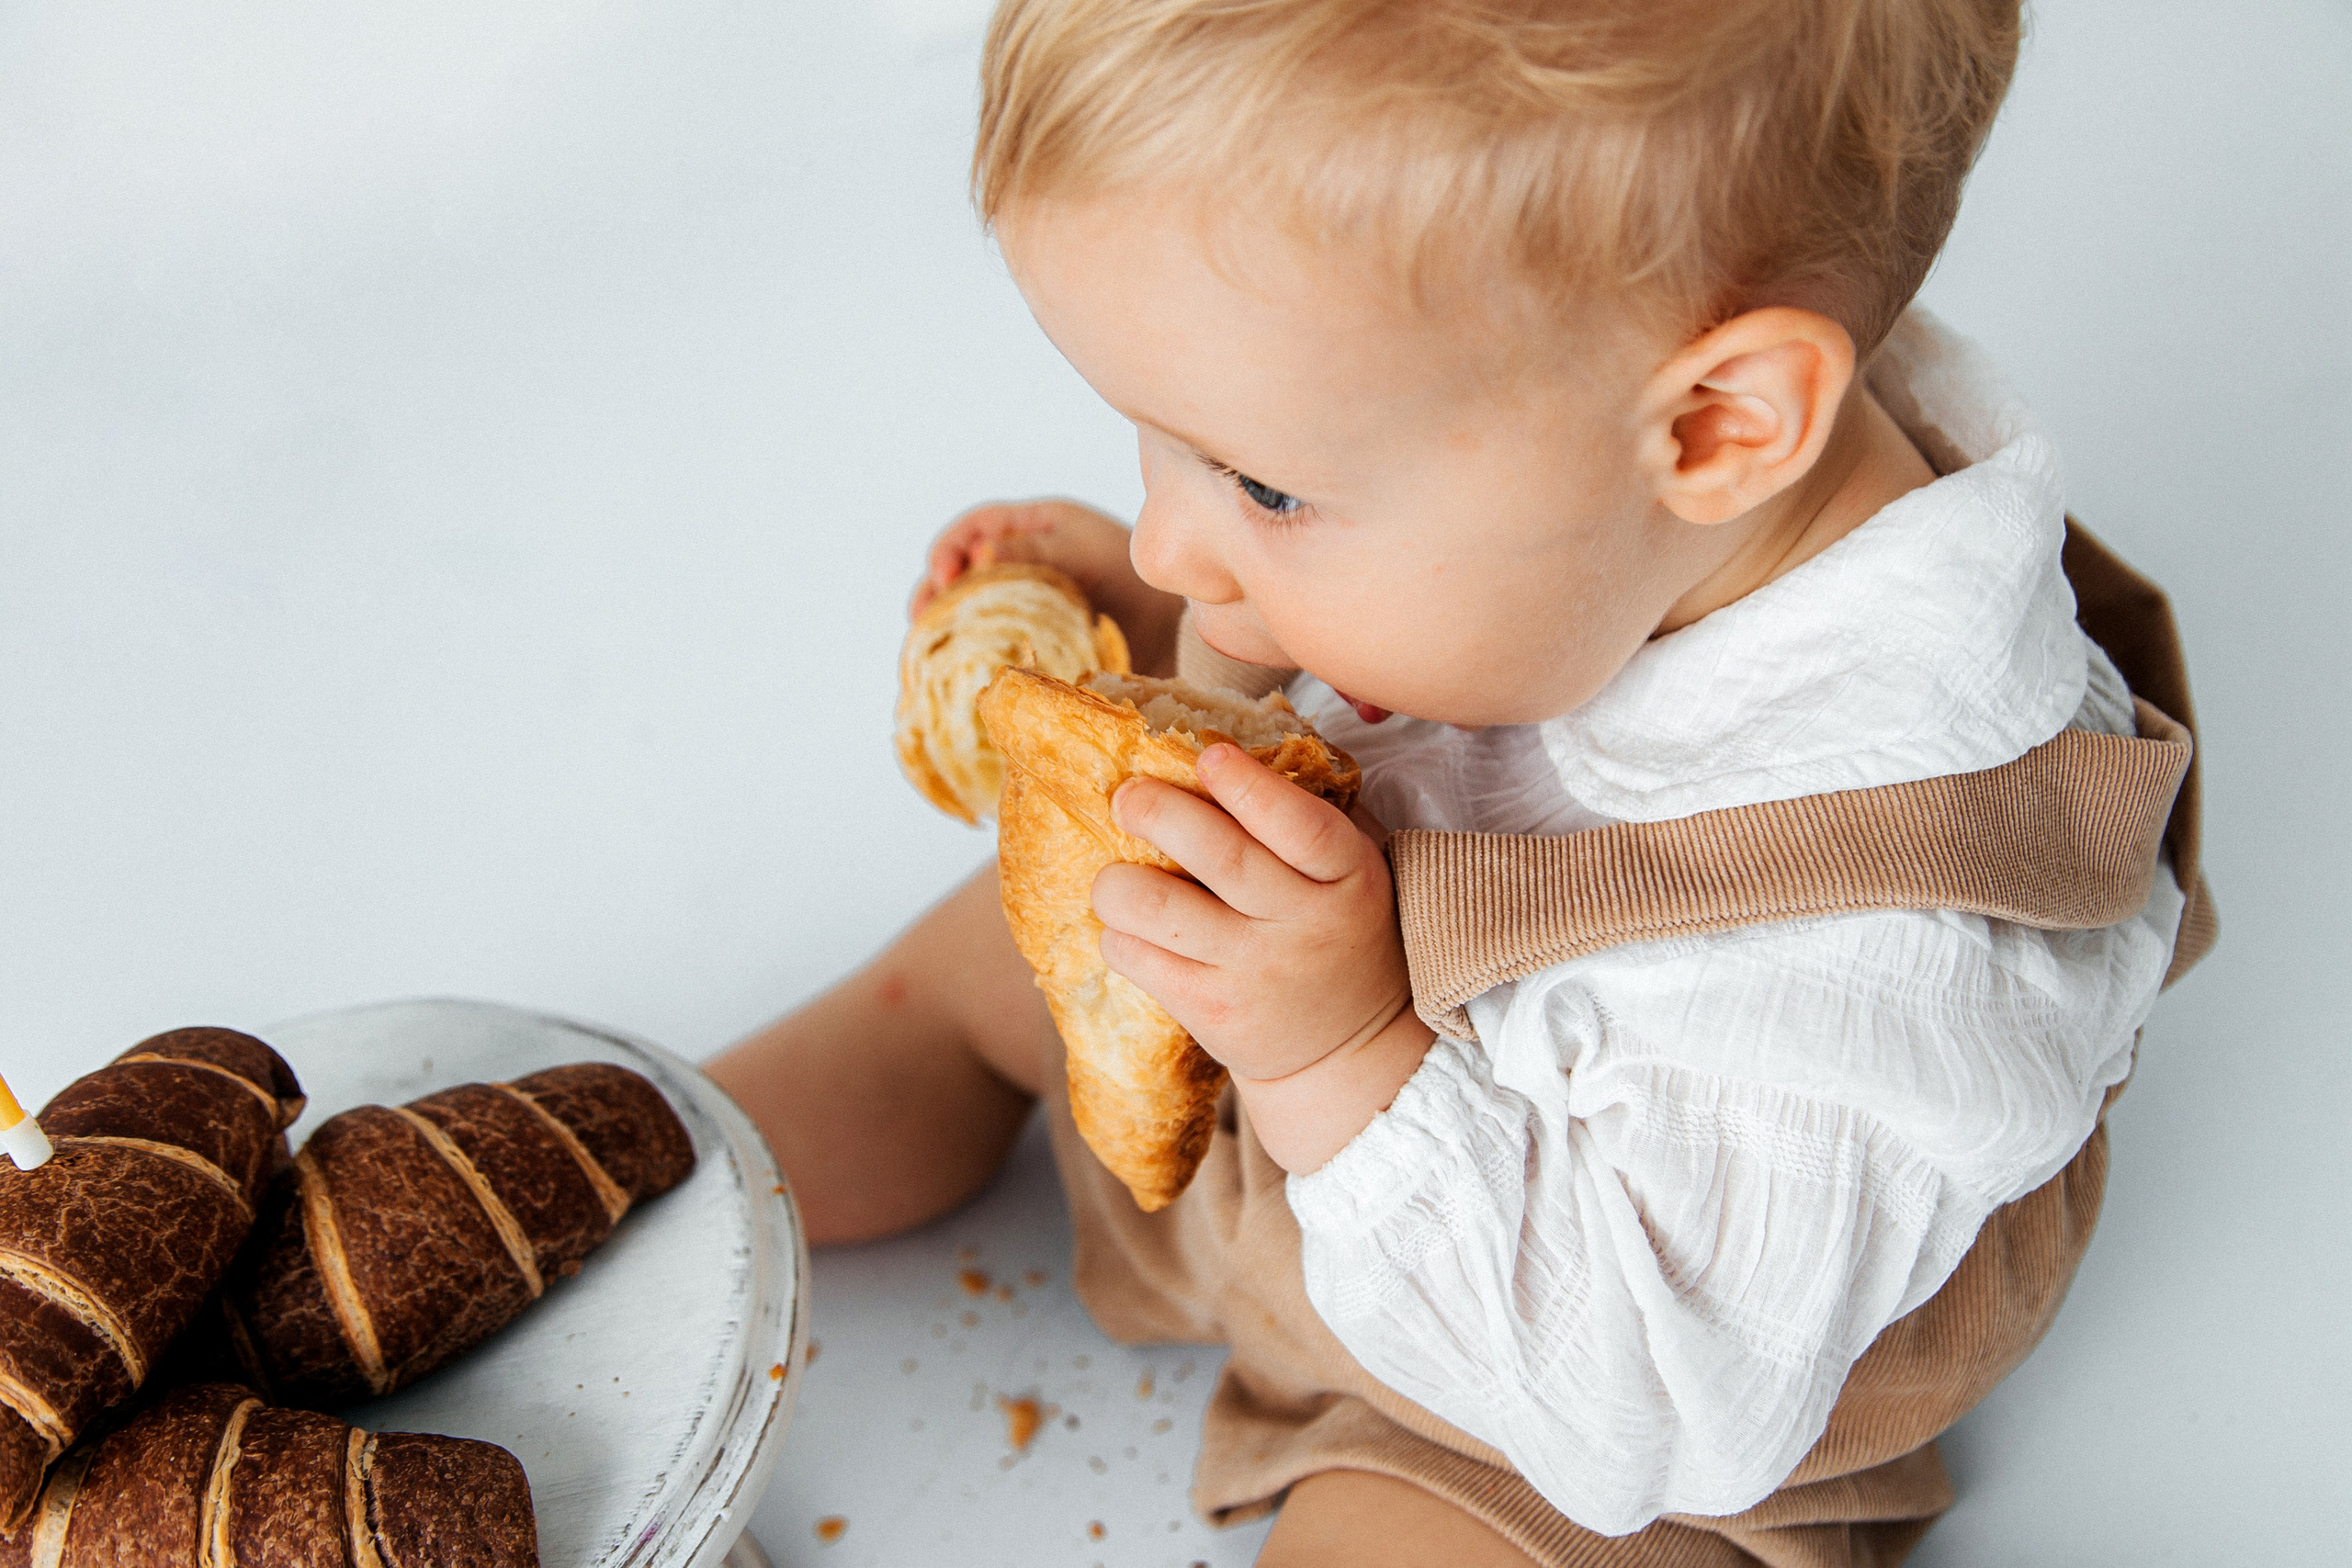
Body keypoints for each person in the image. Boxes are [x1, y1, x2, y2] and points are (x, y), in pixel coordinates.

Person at [709, 3, 2214, 1562]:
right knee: (969, 976)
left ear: (1720, 426)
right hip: (1294, 1082)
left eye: (1266, 484)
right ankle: (643, 1173)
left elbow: (1658, 1401)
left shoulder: (1876, 949)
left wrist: (1343, 1054)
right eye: (1158, 443)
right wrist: (1184, 610)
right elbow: (1384, 549)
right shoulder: (1594, 440)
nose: (1167, 535)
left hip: (1540, 1382)